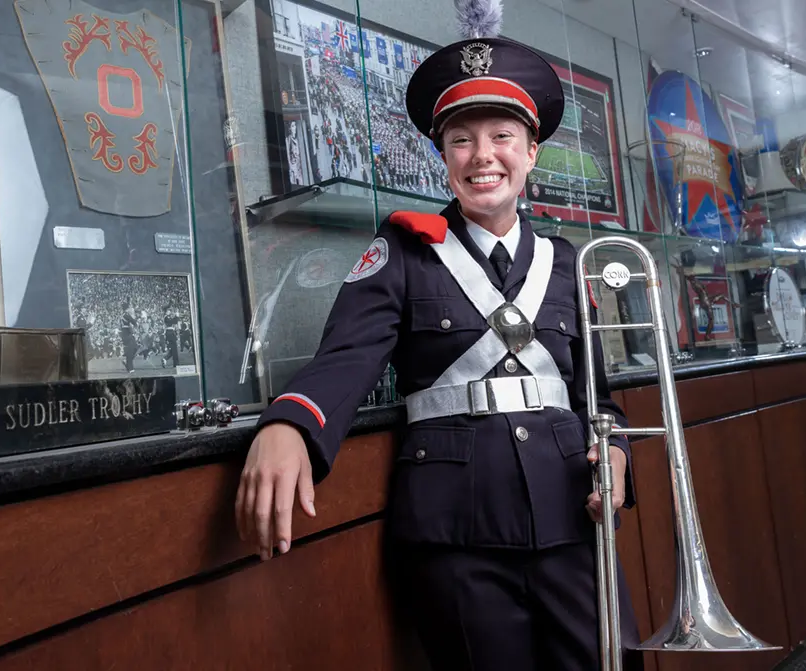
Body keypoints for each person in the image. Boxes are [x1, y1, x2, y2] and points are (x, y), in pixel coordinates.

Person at [235, 2, 643, 669]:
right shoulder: (402, 252)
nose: (483, 155)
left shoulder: (568, 265)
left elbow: (599, 399)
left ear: (532, 151)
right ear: (440, 155)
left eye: (503, 135)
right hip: (459, 533)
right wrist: (291, 424)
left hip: (574, 517)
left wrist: (620, 455)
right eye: (460, 139)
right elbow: (346, 358)